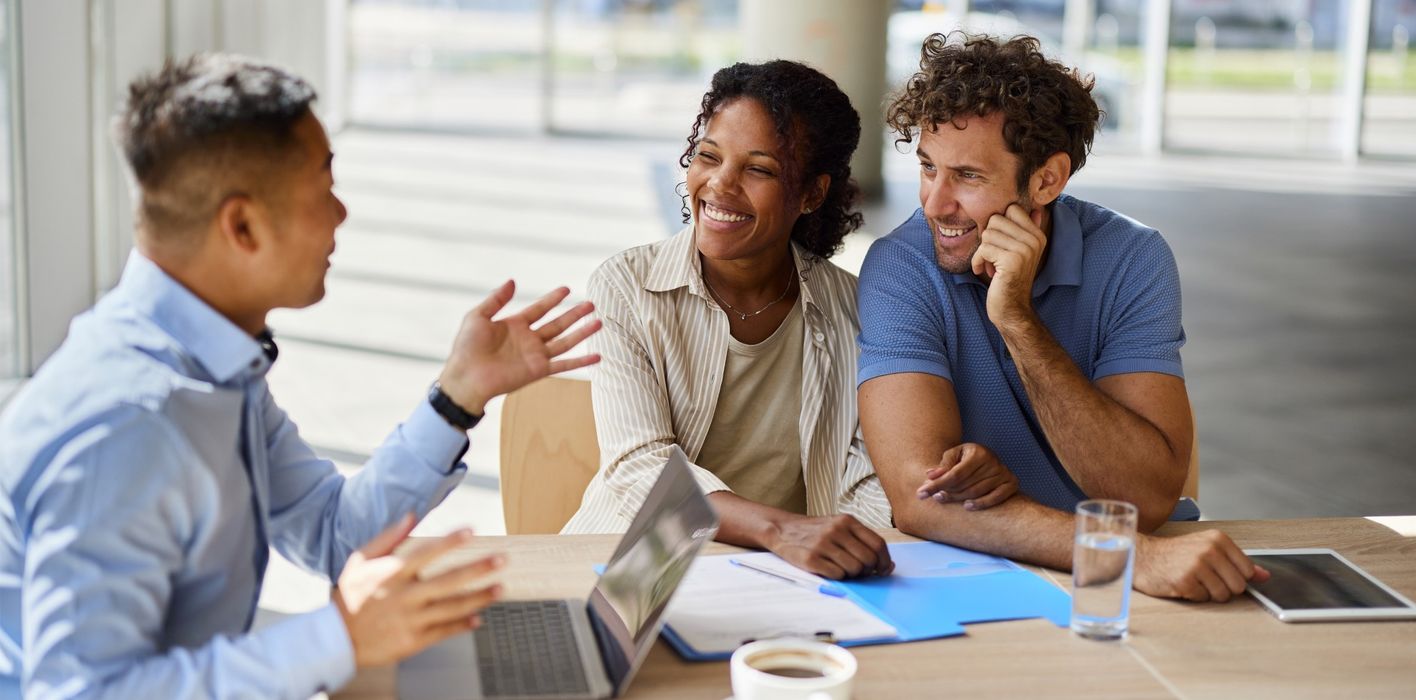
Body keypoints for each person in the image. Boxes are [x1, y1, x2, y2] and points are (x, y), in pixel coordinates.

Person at [0, 54, 601, 698]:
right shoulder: (127, 427)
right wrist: (338, 638)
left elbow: (334, 533)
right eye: (324, 184)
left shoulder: (214, 364)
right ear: (243, 225)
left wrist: (460, 394)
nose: (341, 212)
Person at [857, 33, 1269, 602]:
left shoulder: (1131, 257)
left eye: (968, 177)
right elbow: (919, 499)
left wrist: (1018, 321)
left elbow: (1143, 499)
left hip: (1134, 578)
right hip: (992, 570)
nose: (934, 202)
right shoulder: (900, 267)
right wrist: (1130, 556)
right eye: (928, 168)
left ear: (1047, 179)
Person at [563, 61, 967, 580]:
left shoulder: (852, 308)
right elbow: (641, 469)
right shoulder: (627, 287)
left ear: (812, 194)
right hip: (631, 568)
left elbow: (859, 475)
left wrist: (905, 513)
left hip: (782, 578)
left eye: (759, 169)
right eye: (708, 156)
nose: (720, 185)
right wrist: (780, 530)